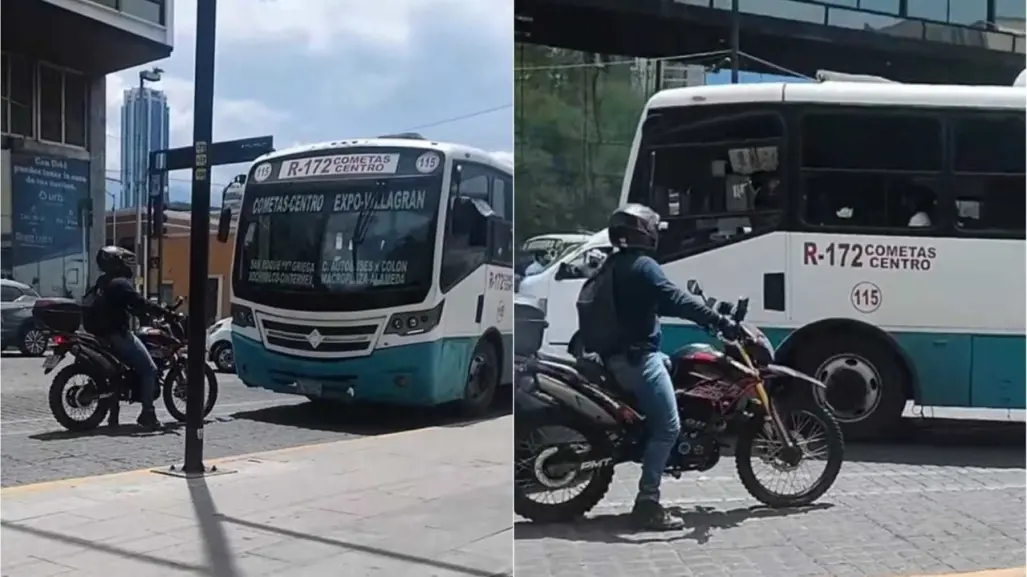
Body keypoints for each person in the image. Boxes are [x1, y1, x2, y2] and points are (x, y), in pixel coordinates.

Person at [581, 204, 740, 530]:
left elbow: (666, 302)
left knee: (677, 366)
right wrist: (719, 321)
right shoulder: (643, 266)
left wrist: (704, 316)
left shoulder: (618, 264)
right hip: (637, 360)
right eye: (653, 228)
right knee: (669, 426)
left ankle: (651, 442)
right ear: (644, 232)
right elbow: (676, 299)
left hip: (621, 356)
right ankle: (647, 504)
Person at [85, 246, 179, 429]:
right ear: (116, 263)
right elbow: (140, 303)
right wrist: (164, 312)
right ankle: (148, 414)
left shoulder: (103, 282)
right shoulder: (120, 283)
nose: (128, 265)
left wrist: (141, 313)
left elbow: (128, 306)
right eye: (124, 261)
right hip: (116, 334)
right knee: (149, 369)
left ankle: (114, 416)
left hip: (100, 335)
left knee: (118, 372)